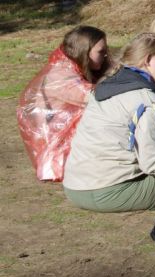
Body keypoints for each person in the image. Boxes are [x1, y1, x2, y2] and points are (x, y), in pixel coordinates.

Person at [64, 33, 155, 212]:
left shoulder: (107, 85)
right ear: (147, 60)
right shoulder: (148, 101)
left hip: (74, 186)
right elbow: (154, 164)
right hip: (108, 191)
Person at [17, 26, 112, 182]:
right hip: (57, 156)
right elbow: (95, 96)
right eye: (101, 52)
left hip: (69, 147)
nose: (106, 55)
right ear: (84, 51)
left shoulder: (71, 68)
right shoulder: (61, 75)